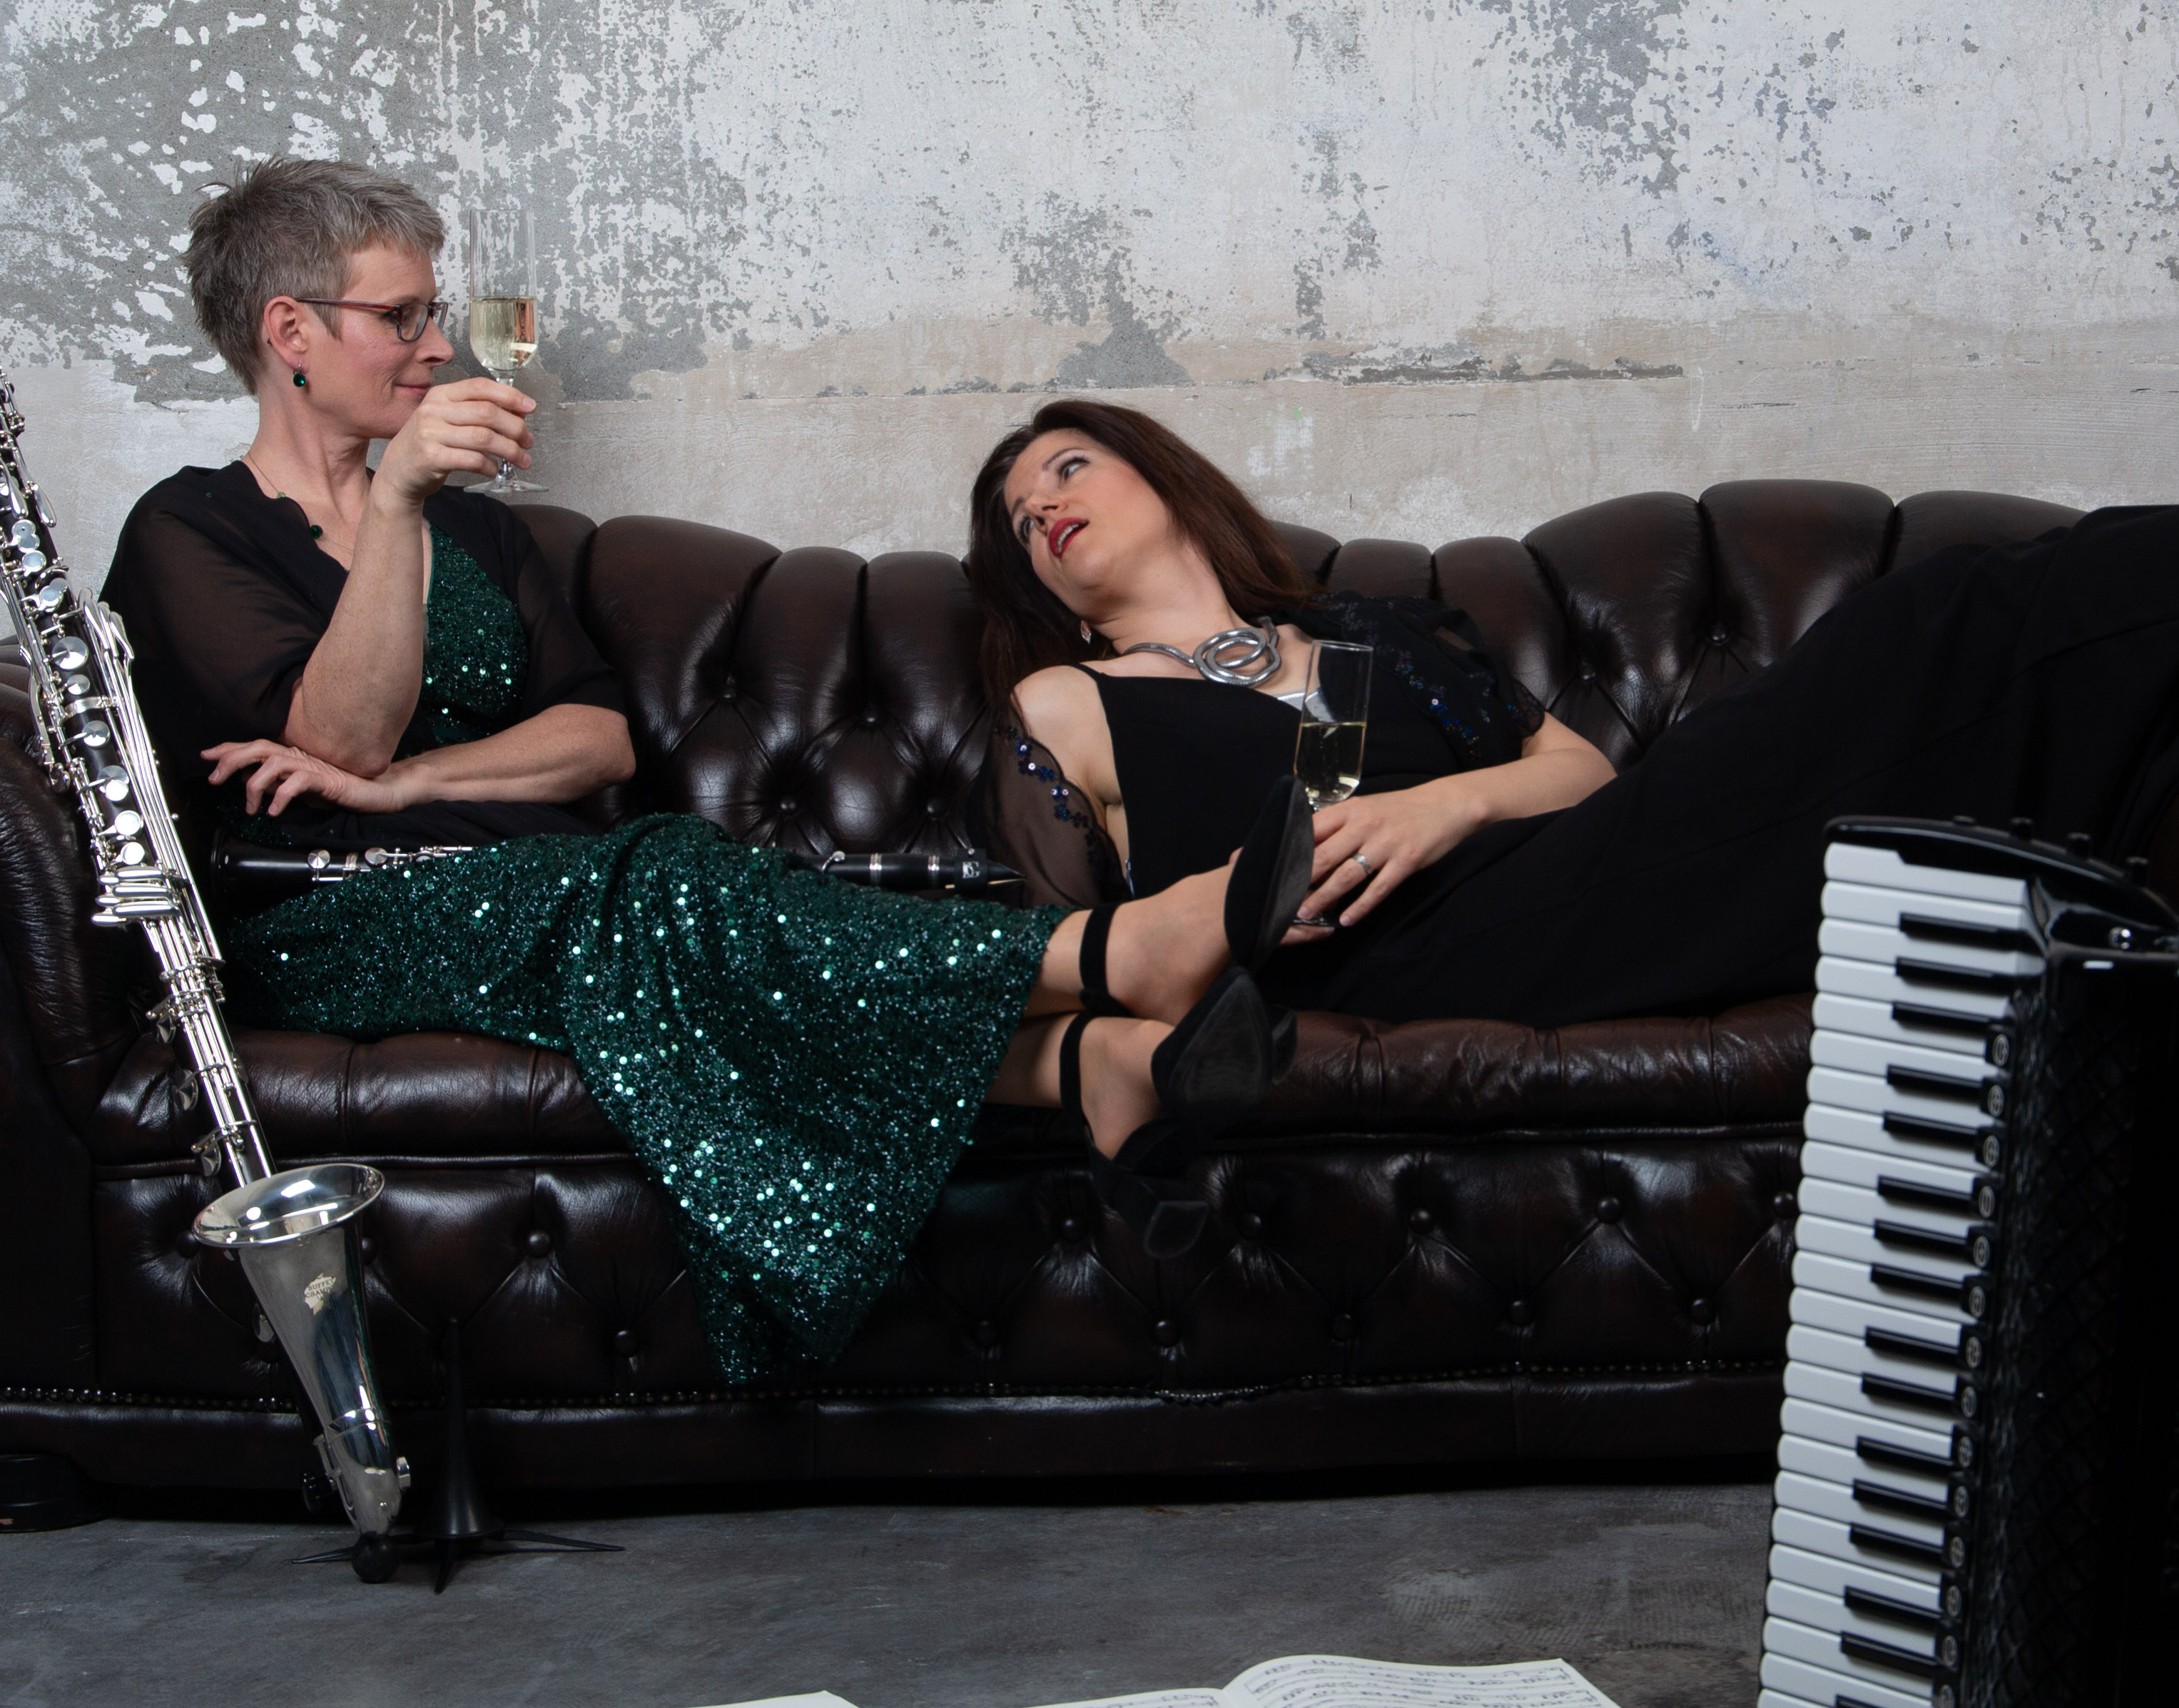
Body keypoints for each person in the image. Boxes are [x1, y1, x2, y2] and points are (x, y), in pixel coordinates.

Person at [101, 161, 1305, 1376]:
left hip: (562, 895)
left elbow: (598, 737)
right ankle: (1111, 958)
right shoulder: (189, 530)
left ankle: (1098, 1063)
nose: (436, 345)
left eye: (435, 311)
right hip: (339, 921)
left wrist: (414, 782)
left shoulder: (482, 530)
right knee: (662, 879)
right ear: (290, 332)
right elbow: (339, 741)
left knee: (661, 907)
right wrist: (399, 500)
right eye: (400, 314)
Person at [967, 233, 2179, 1029]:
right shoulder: (1071, 699)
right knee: (1955, 616)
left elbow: (1572, 769)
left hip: (1578, 872)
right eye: (1019, 513)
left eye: (1068, 461)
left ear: (1161, 477)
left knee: (2016, 650)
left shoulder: (1373, 628)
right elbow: (1091, 943)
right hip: (1410, 969)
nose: (1046, 501)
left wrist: (1443, 802)